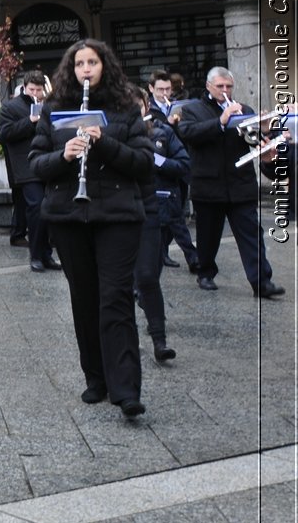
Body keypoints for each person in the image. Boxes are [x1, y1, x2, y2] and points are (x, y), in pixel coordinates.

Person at [28, 39, 154, 419]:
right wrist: (64, 156)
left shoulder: (126, 110)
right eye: (79, 63)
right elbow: (35, 164)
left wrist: (105, 145)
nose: (86, 69)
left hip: (117, 214)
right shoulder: (53, 111)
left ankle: (125, 388)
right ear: (71, 69)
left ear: (105, 66)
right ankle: (96, 378)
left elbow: (143, 163)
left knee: (115, 298)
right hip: (68, 215)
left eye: (93, 62)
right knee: (84, 299)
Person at [177, 67, 282, 298]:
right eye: (220, 86)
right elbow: (188, 133)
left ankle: (261, 282)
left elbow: (252, 141)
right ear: (209, 87)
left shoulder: (244, 109)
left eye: (229, 86)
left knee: (252, 235)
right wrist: (221, 121)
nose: (225, 90)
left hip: (240, 185)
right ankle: (205, 272)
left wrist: (264, 136)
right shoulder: (192, 110)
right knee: (208, 236)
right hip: (209, 186)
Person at [138, 96, 189, 363]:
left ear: (146, 108)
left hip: (153, 207)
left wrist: (159, 162)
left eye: (137, 106)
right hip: (118, 212)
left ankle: (160, 340)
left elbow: (183, 164)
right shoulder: (107, 133)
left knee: (148, 275)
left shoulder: (162, 133)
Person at [0, 72, 60, 270]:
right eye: (32, 89)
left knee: (47, 209)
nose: (36, 93)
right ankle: (35, 255)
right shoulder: (11, 107)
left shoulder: (48, 106)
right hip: (25, 166)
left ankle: (47, 255)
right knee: (36, 208)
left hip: (46, 162)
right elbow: (4, 134)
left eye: (39, 90)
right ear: (24, 87)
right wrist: (30, 121)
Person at [146, 70, 199, 270]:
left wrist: (179, 124)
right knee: (173, 218)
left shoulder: (179, 107)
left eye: (168, 89)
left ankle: (164, 252)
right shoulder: (150, 111)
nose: (165, 93)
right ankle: (189, 258)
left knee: (175, 213)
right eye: (160, 89)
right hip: (160, 170)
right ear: (151, 89)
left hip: (178, 163)